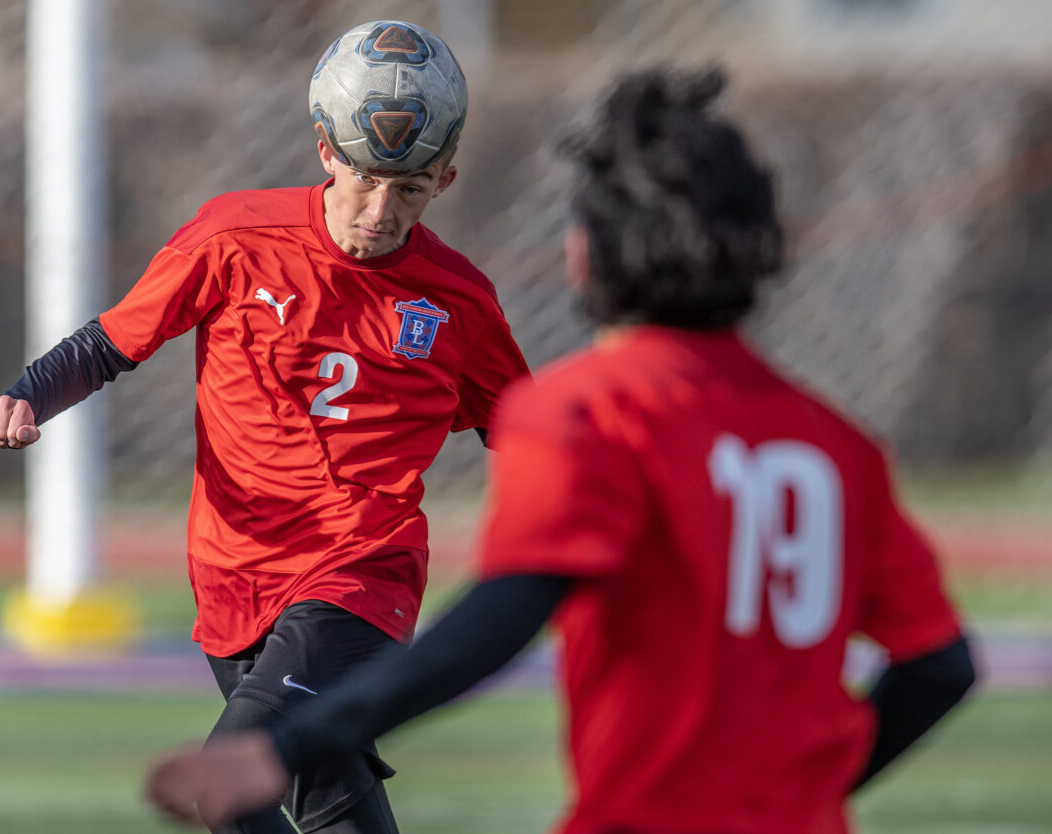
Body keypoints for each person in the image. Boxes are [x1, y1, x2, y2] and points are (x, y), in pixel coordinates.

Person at [143, 65, 977, 834]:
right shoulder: (837, 446)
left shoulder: (590, 413)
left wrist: (287, 745)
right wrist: (811, 785)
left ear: (583, 257)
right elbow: (940, 668)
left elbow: (498, 622)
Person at [0, 20, 529, 834]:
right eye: (366, 179)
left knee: (226, 782)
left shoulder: (458, 301)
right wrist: (25, 397)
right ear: (326, 151)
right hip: (234, 579)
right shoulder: (236, 238)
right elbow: (111, 342)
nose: (379, 211)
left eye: (409, 189)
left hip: (358, 580)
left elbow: (526, 428)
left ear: (444, 181)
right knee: (332, 805)